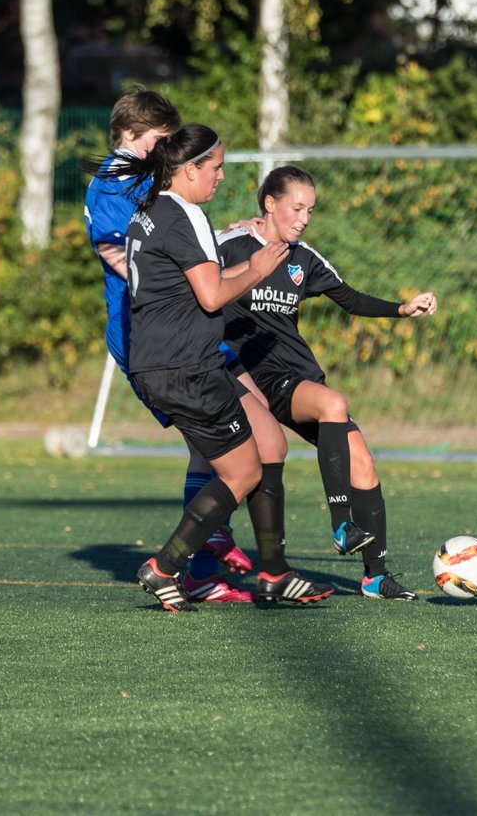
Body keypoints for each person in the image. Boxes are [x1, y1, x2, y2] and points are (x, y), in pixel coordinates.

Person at [95, 125, 335, 610]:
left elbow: (193, 283)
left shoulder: (151, 211)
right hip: (184, 365)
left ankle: (272, 572)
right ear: (189, 170)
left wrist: (246, 265)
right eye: (216, 167)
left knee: (269, 444)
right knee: (242, 471)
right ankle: (167, 567)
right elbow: (211, 296)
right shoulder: (185, 216)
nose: (222, 177)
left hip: (170, 361)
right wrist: (257, 270)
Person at [216, 166, 438, 600]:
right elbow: (198, 279)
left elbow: (350, 299)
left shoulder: (305, 258)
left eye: (310, 211)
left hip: (302, 376)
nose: (303, 218)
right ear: (269, 203)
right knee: (333, 403)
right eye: (296, 208)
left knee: (364, 464)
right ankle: (340, 526)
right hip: (261, 379)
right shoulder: (231, 245)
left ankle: (375, 576)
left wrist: (401, 309)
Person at [83, 91, 252, 604]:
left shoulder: (142, 178)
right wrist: (194, 271)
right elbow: (125, 253)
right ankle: (199, 554)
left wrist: (216, 241)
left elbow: (171, 234)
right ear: (131, 134)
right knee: (218, 443)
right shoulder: (110, 184)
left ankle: (209, 544)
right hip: (153, 336)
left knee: (228, 434)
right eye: (161, 139)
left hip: (184, 330)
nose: (167, 149)